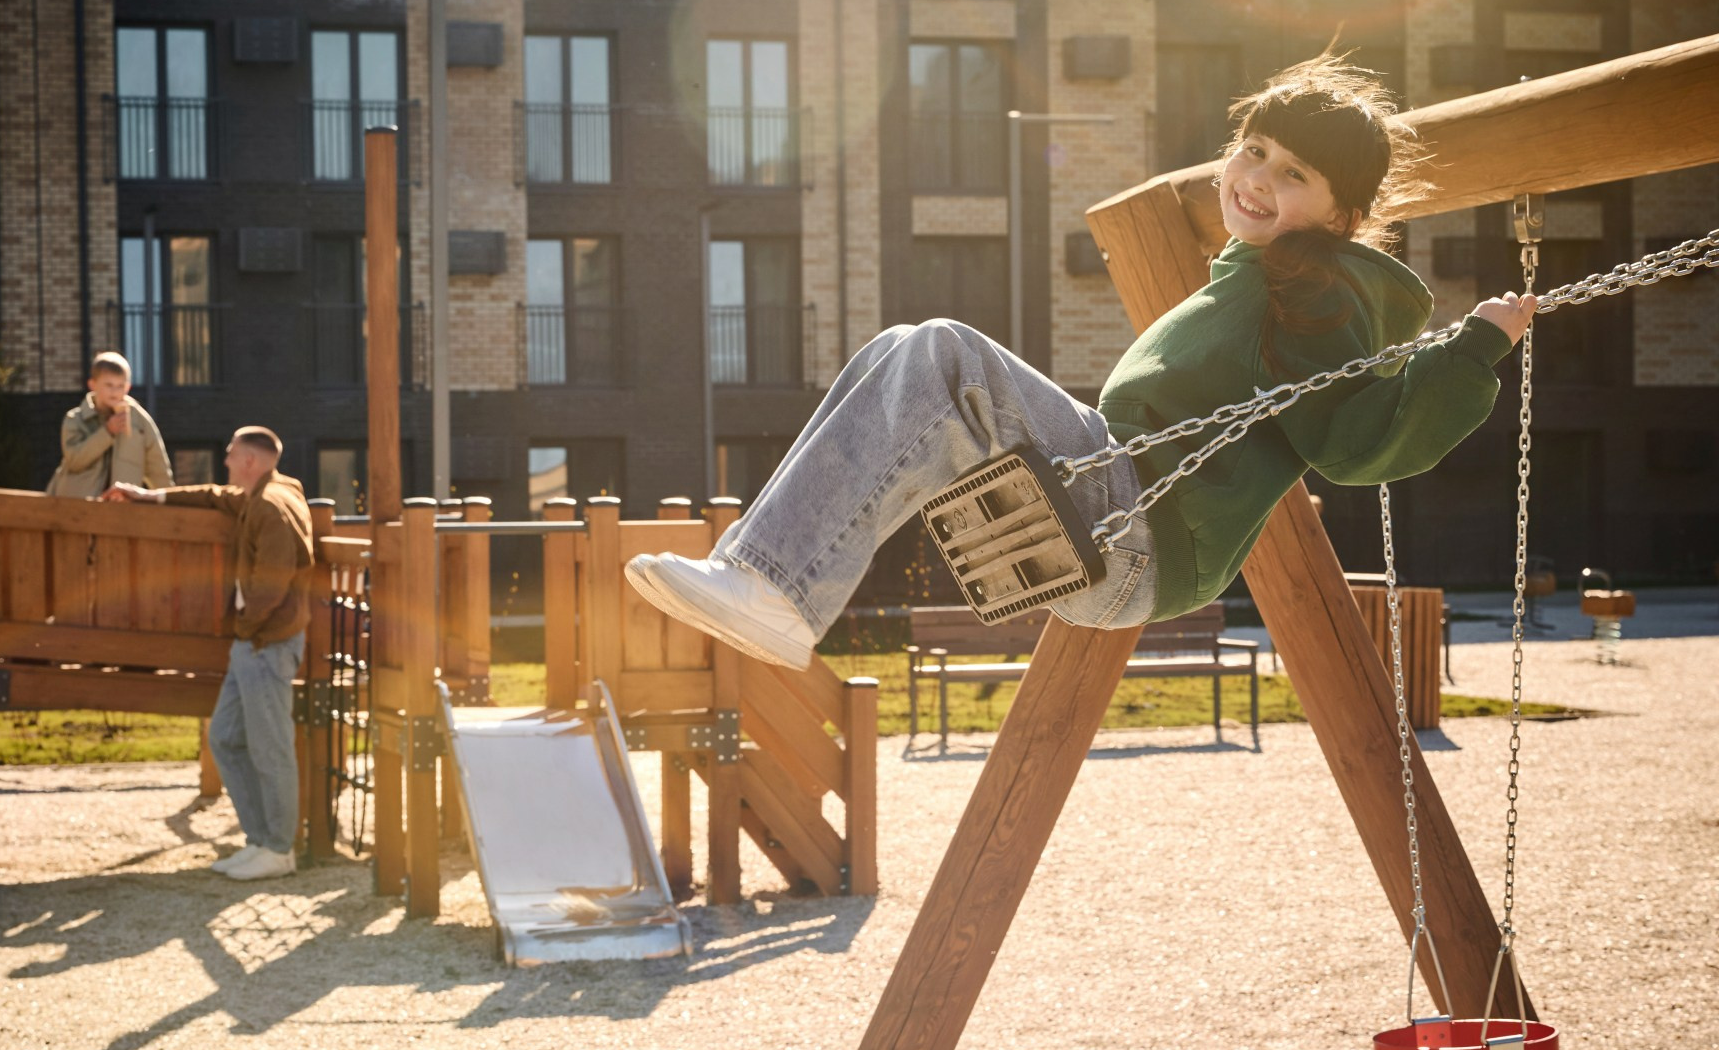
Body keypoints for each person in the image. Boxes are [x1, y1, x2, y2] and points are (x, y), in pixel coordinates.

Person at [628, 55, 1540, 669]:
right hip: (1111, 508)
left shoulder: (1319, 293)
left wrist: (1476, 350)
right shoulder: (1256, 274)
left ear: (1341, 215)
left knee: (945, 351)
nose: (1256, 178)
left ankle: (778, 595)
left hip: (1135, 533)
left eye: (1293, 175)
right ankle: (766, 575)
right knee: (899, 354)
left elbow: (1352, 442)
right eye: (1253, 150)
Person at [105, 428, 314, 880]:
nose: (225, 462)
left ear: (251, 463)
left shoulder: (272, 507)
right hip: (254, 643)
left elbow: (273, 582)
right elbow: (213, 495)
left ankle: (279, 849)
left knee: (270, 747)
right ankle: (261, 840)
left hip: (266, 644)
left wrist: (245, 625)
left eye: (231, 455)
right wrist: (149, 496)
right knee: (224, 737)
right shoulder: (261, 494)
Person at [45, 351, 173, 499]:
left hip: (120, 508)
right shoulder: (75, 419)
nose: (115, 391)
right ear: (92, 385)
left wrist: (172, 500)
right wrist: (107, 432)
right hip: (77, 505)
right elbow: (74, 461)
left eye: (120, 386)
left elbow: (158, 469)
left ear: (127, 387)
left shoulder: (140, 421)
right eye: (109, 385)